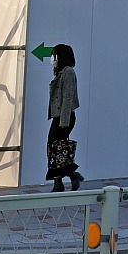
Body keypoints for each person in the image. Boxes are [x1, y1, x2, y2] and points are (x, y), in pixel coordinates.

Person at [45, 43, 81, 192]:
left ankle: (66, 178)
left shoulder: (68, 72)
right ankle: (62, 180)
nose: (54, 59)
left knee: (57, 148)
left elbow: (67, 98)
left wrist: (63, 122)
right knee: (54, 149)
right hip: (58, 117)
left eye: (55, 56)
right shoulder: (61, 73)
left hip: (64, 118)